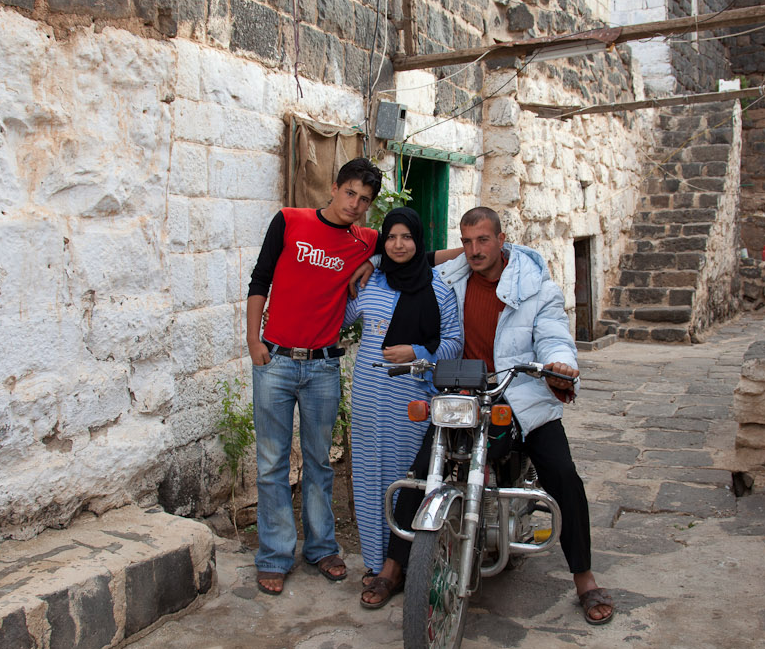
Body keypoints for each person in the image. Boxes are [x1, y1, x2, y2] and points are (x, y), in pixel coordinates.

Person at [381, 206, 615, 624]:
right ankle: (393, 569)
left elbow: (554, 335)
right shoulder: (450, 279)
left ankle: (585, 578)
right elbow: (412, 259)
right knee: (421, 473)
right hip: (463, 395)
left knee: (563, 475)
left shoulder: (535, 288)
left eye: (483, 240)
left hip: (519, 396)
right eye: (467, 241)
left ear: (501, 239)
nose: (474, 250)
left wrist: (559, 364)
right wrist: (372, 261)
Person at [246, 158, 382, 596]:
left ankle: (322, 547)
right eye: (350, 194)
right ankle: (275, 555)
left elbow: (414, 247)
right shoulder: (289, 221)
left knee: (320, 461)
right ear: (333, 186)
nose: (355, 205)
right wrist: (254, 341)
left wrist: (374, 263)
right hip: (277, 361)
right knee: (271, 464)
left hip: (324, 365)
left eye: (364, 200)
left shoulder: (366, 240)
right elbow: (259, 280)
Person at [343, 209, 462, 609]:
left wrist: (418, 351)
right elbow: (342, 317)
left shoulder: (439, 289)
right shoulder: (370, 281)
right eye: (390, 237)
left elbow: (454, 343)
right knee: (370, 476)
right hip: (369, 397)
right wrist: (361, 266)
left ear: (418, 240)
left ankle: (407, 562)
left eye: (406, 237)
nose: (398, 244)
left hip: (412, 400)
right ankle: (378, 564)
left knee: (407, 478)